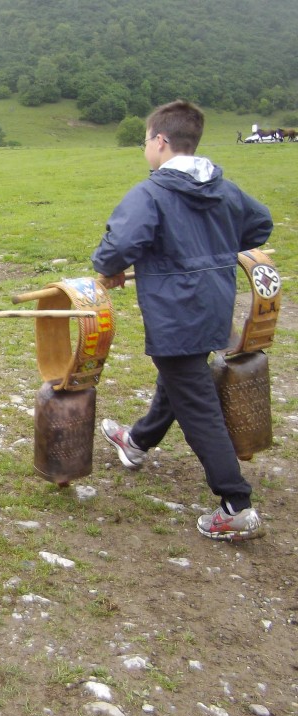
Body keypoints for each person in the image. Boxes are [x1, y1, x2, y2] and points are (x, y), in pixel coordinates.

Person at [92, 100, 273, 542]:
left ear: (160, 141)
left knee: (197, 403)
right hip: (213, 306)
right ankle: (135, 442)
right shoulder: (225, 190)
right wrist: (217, 247)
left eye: (145, 142)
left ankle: (235, 504)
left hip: (176, 314)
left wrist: (107, 267)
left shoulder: (151, 193)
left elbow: (117, 249)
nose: (145, 151)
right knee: (181, 378)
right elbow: (261, 223)